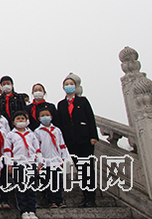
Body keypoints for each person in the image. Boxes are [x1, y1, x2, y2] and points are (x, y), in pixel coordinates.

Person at [56, 74, 98, 208]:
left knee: (88, 169)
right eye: (66, 84)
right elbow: (61, 123)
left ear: (75, 86)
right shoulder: (61, 104)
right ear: (63, 87)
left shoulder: (83, 101)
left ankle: (91, 198)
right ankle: (85, 197)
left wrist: (93, 136)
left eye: (71, 83)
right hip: (71, 141)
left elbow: (90, 118)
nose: (69, 86)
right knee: (80, 169)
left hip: (85, 140)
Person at [3, 111, 40, 219]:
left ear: (27, 121)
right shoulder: (10, 135)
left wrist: (39, 163)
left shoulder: (31, 134)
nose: (20, 121)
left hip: (31, 163)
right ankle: (24, 210)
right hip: (18, 163)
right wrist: (9, 164)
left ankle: (32, 210)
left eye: (22, 119)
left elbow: (37, 149)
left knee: (31, 188)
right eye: (18, 119)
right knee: (21, 188)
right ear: (13, 122)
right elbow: (7, 150)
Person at [34, 108, 68, 208]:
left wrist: (63, 157)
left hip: (56, 160)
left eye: (47, 115)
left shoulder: (57, 130)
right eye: (43, 115)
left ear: (51, 117)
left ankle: (60, 200)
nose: (45, 117)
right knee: (48, 181)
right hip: (45, 161)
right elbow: (37, 147)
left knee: (58, 181)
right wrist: (39, 161)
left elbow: (62, 144)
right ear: (39, 118)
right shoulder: (37, 132)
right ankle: (51, 200)